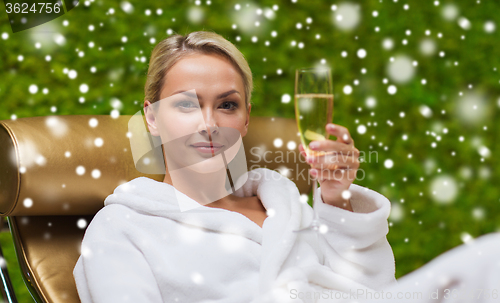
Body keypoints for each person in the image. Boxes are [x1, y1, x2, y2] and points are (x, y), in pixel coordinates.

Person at [73, 31, 500, 303]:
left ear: (244, 119)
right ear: (151, 117)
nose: (208, 123)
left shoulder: (284, 207)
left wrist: (338, 202)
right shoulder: (121, 229)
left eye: (227, 105)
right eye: (186, 104)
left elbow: (374, 288)